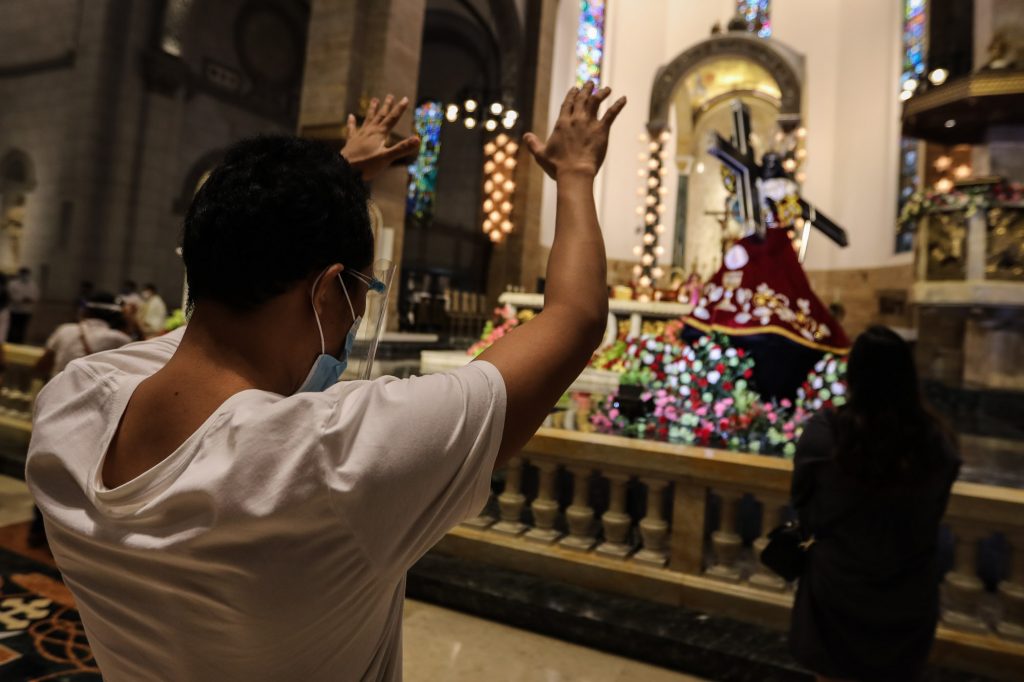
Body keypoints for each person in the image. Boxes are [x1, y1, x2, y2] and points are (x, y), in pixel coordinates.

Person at [26, 85, 625, 680]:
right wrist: (574, 174)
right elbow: (573, 320)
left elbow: (247, 254)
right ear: (325, 292)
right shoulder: (328, 461)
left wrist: (333, 180)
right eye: (358, 298)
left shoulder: (71, 405)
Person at [789, 325, 961, 682]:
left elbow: (803, 501)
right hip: (908, 591)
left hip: (838, 583)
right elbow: (934, 511)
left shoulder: (825, 435)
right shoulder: (937, 442)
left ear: (853, 375)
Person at [27, 292, 133, 548]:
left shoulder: (65, 330)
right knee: (80, 476)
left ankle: (37, 530)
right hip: (95, 418)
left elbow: (42, 364)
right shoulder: (119, 338)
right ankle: (71, 539)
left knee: (48, 471)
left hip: (55, 408)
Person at [7, 266, 39, 343]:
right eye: (23, 274)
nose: (25, 276)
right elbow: (10, 295)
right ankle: (10, 341)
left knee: (22, 328)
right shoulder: (13, 284)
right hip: (14, 310)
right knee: (12, 327)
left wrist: (30, 299)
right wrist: (21, 299)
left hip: (27, 311)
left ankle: (19, 342)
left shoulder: (33, 285)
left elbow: (36, 295)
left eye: (26, 274)